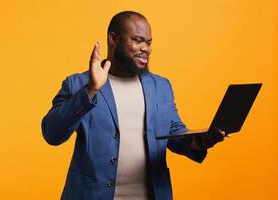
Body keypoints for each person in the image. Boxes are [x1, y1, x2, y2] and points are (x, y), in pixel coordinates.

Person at [41, 11, 226, 200]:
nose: (146, 48)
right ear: (113, 39)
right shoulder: (79, 84)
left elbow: (174, 134)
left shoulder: (161, 86)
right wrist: (90, 90)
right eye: (138, 40)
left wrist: (200, 142)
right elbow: (52, 133)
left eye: (149, 42)